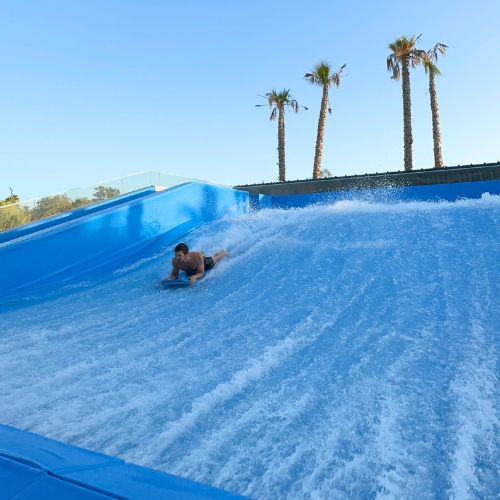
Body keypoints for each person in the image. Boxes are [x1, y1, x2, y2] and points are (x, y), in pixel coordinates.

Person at [162, 242, 229, 284]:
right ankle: (202, 253)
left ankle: (223, 252)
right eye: (175, 255)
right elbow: (174, 274)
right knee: (200, 257)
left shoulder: (197, 257)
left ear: (186, 254)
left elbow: (201, 272)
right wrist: (169, 279)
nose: (177, 258)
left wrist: (195, 277)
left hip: (206, 264)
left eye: (179, 255)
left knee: (215, 257)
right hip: (193, 266)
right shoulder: (175, 261)